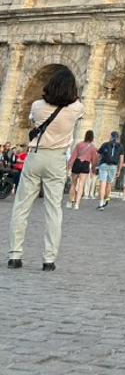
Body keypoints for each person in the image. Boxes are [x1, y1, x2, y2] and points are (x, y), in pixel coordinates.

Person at [7, 68, 85, 271]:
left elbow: (33, 121)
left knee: (21, 207)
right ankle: (49, 259)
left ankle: (15, 255)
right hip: (56, 159)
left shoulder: (37, 106)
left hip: (35, 156)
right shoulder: (76, 108)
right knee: (53, 210)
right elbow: (77, 108)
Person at [67, 130, 98, 210]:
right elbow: (94, 160)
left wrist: (69, 165)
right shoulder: (93, 148)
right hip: (85, 164)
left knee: (73, 184)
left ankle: (70, 202)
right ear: (92, 137)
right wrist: (93, 169)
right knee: (81, 185)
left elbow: (73, 156)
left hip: (77, 163)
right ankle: (77, 204)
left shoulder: (79, 144)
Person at [95, 130, 124, 209]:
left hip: (104, 165)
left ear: (110, 137)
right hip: (113, 167)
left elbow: (98, 155)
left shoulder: (105, 144)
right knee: (109, 184)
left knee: (102, 184)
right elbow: (121, 160)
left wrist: (95, 165)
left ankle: (101, 204)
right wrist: (119, 170)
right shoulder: (120, 146)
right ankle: (106, 200)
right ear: (118, 138)